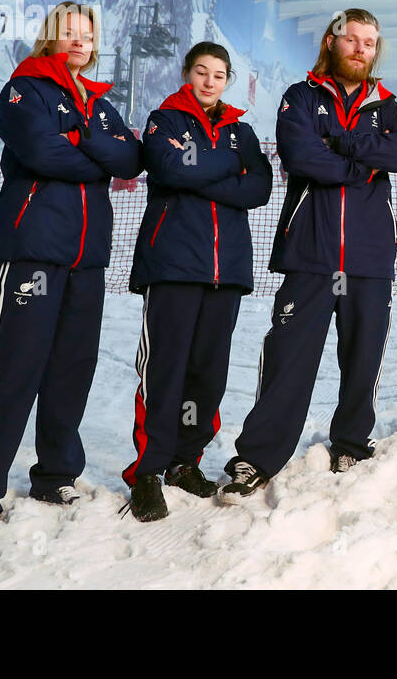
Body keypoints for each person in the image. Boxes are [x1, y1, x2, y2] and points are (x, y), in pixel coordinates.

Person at [0, 1, 141, 524]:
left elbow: (131, 158)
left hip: (86, 258)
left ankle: (55, 475)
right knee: (12, 370)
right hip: (31, 250)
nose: (80, 42)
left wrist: (85, 140)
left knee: (71, 370)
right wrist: (95, 152)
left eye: (87, 34)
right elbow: (41, 152)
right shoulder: (24, 88)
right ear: (49, 36)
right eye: (69, 33)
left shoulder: (99, 104)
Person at [218, 9, 397, 501]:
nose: (362, 50)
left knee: (363, 355)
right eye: (354, 40)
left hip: (369, 253)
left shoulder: (386, 106)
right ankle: (258, 455)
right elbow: (301, 156)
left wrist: (343, 144)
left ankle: (352, 440)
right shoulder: (300, 97)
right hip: (310, 249)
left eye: (370, 42)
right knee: (289, 356)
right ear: (333, 42)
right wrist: (360, 165)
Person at [122, 42, 273, 521]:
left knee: (208, 373)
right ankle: (148, 471)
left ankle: (185, 461)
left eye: (219, 75)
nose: (210, 82)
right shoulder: (163, 120)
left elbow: (261, 186)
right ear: (188, 73)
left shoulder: (239, 130)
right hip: (173, 265)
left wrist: (201, 171)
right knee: (165, 370)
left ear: (227, 80)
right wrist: (228, 168)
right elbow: (167, 166)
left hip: (225, 270)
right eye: (202, 72)